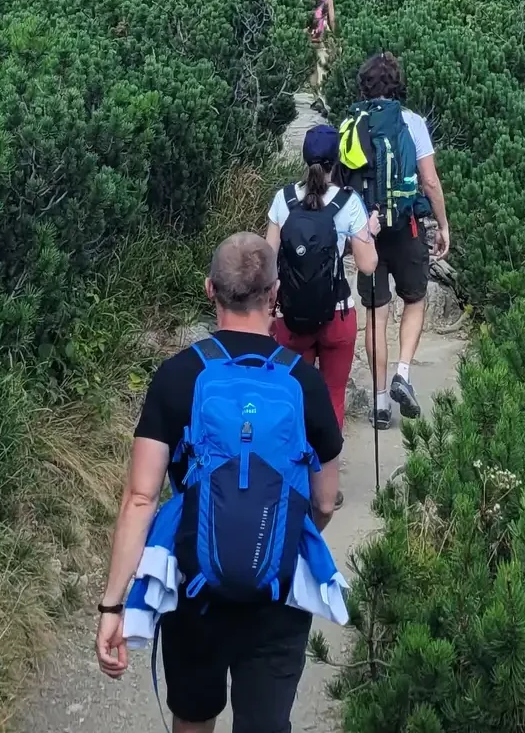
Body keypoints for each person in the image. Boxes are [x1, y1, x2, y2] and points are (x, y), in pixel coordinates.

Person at [95, 234, 344, 733]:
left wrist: (113, 604)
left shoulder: (176, 377)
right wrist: (279, 526)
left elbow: (140, 499)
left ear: (210, 290)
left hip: (194, 588)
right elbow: (323, 499)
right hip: (277, 590)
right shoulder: (305, 383)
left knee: (193, 716)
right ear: (275, 294)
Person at [344, 52, 450, 429]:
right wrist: (443, 225)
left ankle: (379, 402)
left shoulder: (353, 121)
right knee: (416, 299)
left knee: (375, 313)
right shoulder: (412, 122)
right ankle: (403, 373)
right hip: (407, 226)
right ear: (397, 84)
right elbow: (430, 180)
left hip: (366, 232)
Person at [265, 123, 377, 443]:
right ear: (337, 159)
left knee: (291, 397)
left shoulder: (283, 199)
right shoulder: (348, 202)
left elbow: (267, 264)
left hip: (291, 316)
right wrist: (370, 232)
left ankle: (293, 476)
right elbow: (368, 266)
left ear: (304, 157)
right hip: (337, 315)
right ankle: (326, 483)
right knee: (333, 396)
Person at [307, 0, 335, 92]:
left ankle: (315, 97)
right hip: (322, 34)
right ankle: (322, 96)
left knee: (312, 69)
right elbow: (332, 18)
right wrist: (334, 33)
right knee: (322, 66)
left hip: (308, 34)